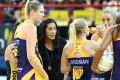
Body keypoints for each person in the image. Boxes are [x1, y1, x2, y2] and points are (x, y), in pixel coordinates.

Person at [14, 0, 48, 80]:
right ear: (33, 12)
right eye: (41, 12)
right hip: (30, 74)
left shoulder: (20, 26)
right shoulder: (31, 27)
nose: (43, 15)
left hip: (21, 74)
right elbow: (31, 57)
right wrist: (45, 75)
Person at [91, 15, 120, 80]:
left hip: (113, 71)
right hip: (101, 71)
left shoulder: (114, 31)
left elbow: (112, 51)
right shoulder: (95, 35)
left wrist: (104, 35)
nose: (105, 22)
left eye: (108, 19)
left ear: (114, 20)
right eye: (103, 20)